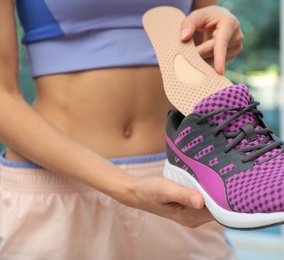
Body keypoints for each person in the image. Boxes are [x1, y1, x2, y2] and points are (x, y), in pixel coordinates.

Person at [0, 0, 244, 259]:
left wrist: (220, 28)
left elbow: (198, 57)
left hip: (177, 186)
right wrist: (128, 188)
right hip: (58, 191)